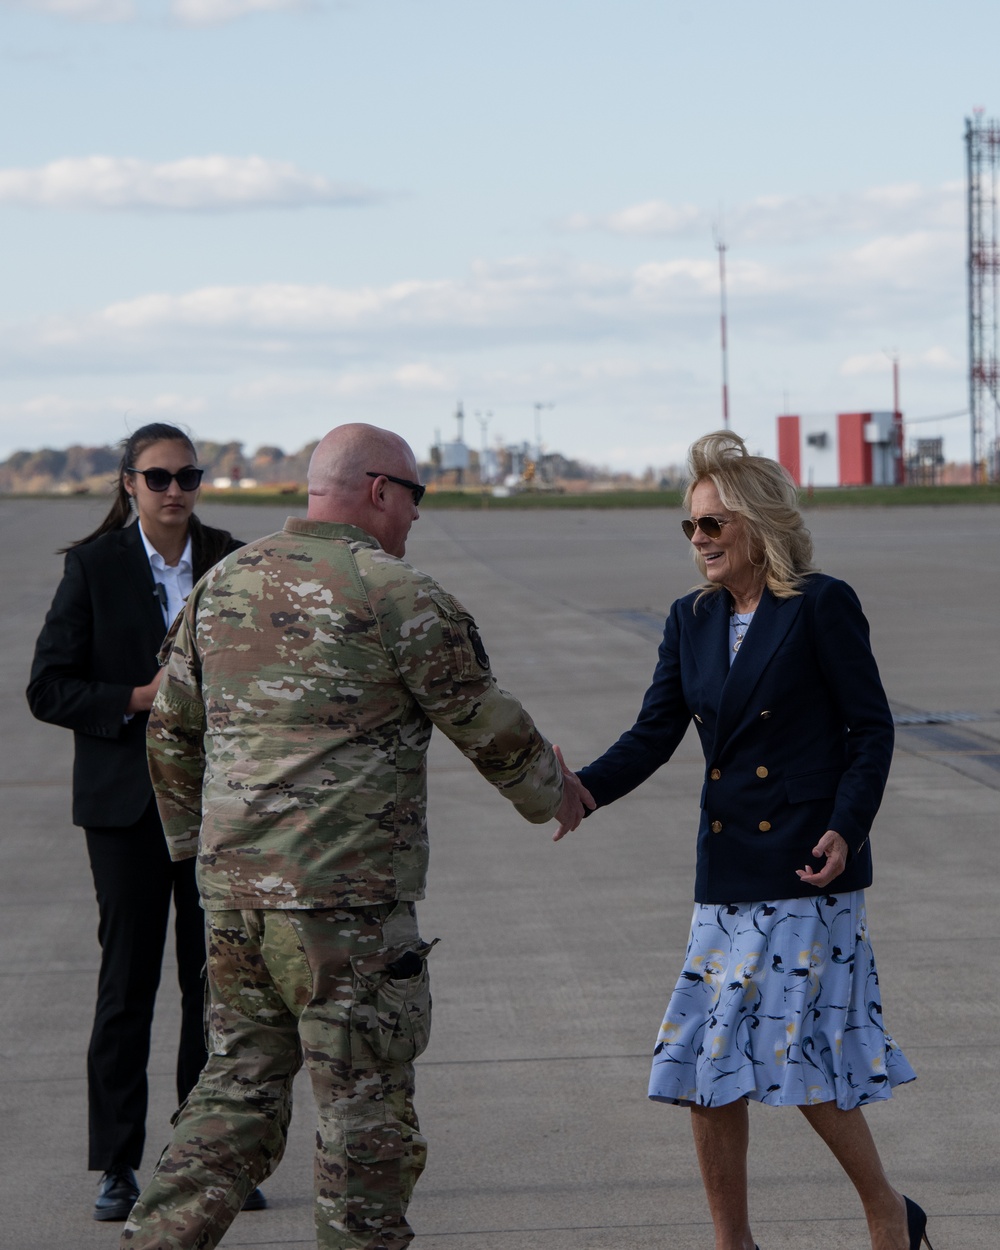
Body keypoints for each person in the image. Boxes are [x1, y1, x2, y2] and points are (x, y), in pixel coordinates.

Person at [120, 422, 592, 1250]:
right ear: (379, 490)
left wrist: (200, 850)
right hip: (348, 914)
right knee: (363, 1124)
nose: (416, 516)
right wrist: (557, 797)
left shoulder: (223, 583)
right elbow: (487, 725)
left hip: (236, 906)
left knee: (233, 1095)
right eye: (415, 496)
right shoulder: (394, 591)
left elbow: (168, 732)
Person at [560, 431, 933, 1250]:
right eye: (690, 528)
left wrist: (845, 826)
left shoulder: (820, 604)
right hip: (727, 871)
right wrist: (582, 791)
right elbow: (654, 732)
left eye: (712, 525)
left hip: (807, 862)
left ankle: (884, 1212)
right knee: (704, 1060)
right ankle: (734, 1242)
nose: (698, 541)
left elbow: (869, 731)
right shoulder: (690, 619)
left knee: (795, 1055)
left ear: (757, 524)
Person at [25, 423, 263, 1221]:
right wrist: (136, 698)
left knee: (217, 990)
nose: (174, 492)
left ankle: (206, 1158)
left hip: (217, 807)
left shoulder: (232, 556)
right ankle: (118, 1166)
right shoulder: (93, 567)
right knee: (127, 988)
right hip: (124, 811)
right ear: (128, 482)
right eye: (157, 478)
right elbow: (48, 687)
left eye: (187, 476)